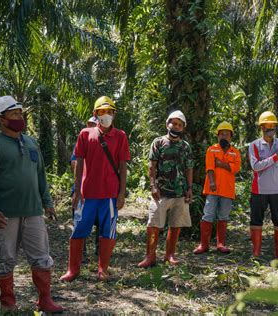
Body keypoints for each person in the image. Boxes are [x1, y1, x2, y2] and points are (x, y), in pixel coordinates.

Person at [0, 95, 64, 312]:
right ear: (1, 119)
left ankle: (45, 299)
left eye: (20, 112)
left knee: (41, 257)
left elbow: (40, 176)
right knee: (5, 258)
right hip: (4, 214)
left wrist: (47, 202)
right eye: (14, 113)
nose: (20, 116)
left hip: (33, 211)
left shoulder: (31, 142)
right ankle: (8, 303)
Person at [60, 96, 130, 282]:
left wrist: (122, 193)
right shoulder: (85, 134)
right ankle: (73, 270)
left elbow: (123, 166)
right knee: (79, 229)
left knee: (108, 231)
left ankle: (102, 269)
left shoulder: (120, 136)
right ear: (95, 114)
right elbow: (78, 162)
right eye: (101, 111)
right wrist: (77, 190)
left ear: (114, 114)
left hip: (109, 195)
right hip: (87, 194)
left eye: (109, 111)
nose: (105, 115)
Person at [138, 110, 194, 268]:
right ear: (167, 124)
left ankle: (170, 255)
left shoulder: (185, 146)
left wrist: (189, 188)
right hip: (161, 193)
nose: (175, 126)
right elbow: (152, 166)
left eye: (179, 125)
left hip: (180, 192)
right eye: (173, 123)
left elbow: (189, 168)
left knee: (176, 224)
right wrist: (153, 185)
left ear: (182, 128)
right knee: (153, 224)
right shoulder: (158, 142)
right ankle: (150, 256)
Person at [193, 121, 241, 254]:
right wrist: (213, 182)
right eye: (221, 134)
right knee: (208, 214)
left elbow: (236, 168)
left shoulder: (235, 152)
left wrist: (219, 163)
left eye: (227, 134)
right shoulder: (211, 149)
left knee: (223, 216)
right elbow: (210, 167)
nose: (224, 137)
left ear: (231, 136)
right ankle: (204, 245)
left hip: (227, 189)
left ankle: (221, 244)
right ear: (218, 136)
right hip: (212, 188)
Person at [248, 111, 278, 259]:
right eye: (268, 125)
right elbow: (255, 166)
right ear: (262, 127)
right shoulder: (254, 145)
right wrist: (273, 159)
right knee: (256, 219)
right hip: (259, 189)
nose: (271, 127)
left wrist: (275, 171)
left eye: (273, 125)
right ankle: (257, 252)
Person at [70, 116, 99, 259]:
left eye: (93, 124)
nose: (90, 126)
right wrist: (77, 188)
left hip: (99, 190)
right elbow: (74, 164)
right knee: (80, 220)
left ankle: (100, 251)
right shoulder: (81, 141)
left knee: (100, 222)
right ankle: (81, 253)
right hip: (82, 189)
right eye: (88, 124)